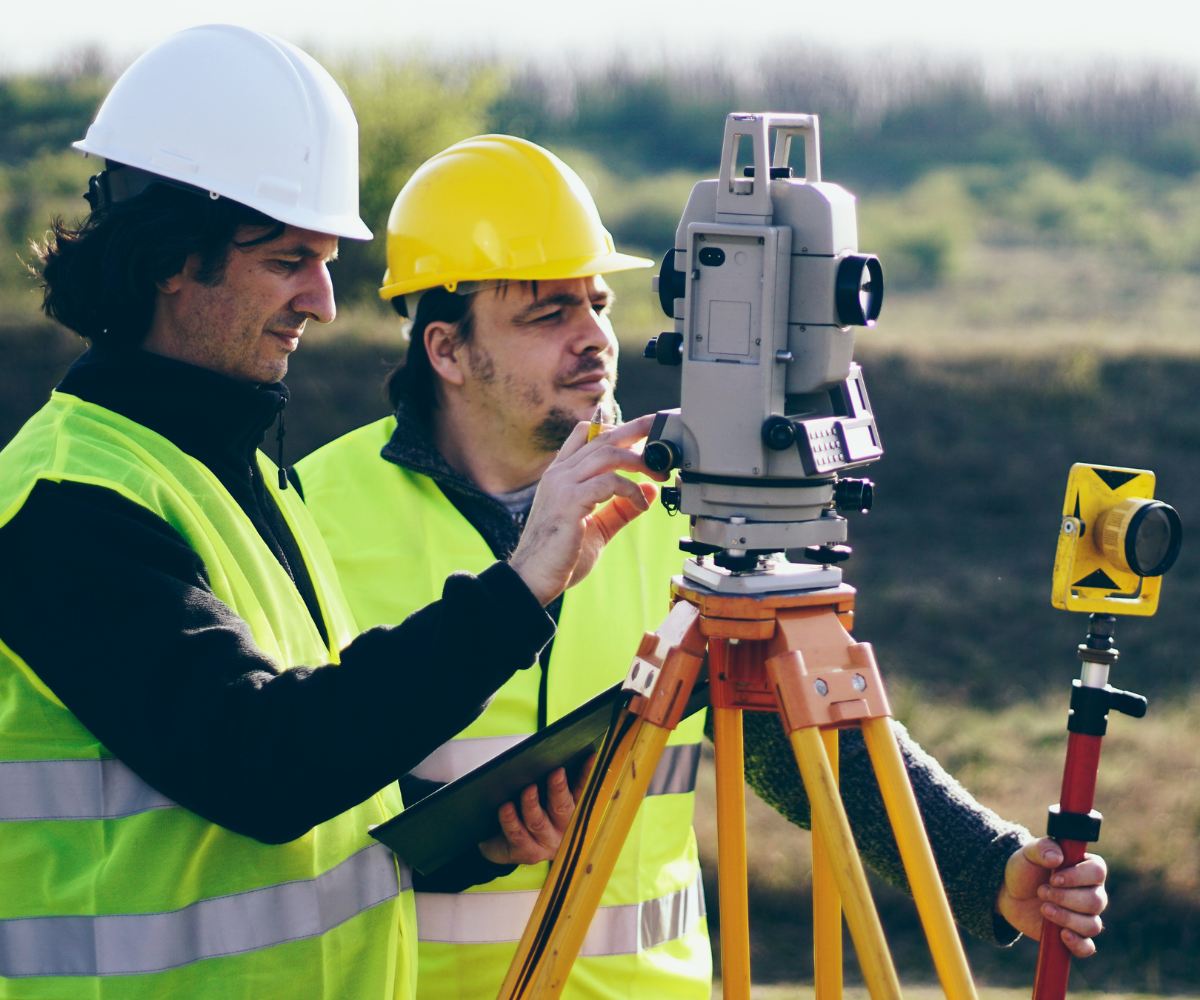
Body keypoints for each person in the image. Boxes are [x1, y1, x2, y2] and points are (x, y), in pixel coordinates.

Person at [295, 135, 1108, 999]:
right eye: (547, 314)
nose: (594, 339)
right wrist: (462, 839)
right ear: (447, 351)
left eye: (597, 304)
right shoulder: (315, 513)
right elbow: (283, 785)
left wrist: (986, 866)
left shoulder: (680, 502)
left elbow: (790, 741)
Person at [0, 29, 658, 1000]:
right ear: (169, 262)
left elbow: (310, 794)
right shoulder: (66, 506)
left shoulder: (241, 481)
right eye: (286, 260)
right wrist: (520, 590)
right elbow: (260, 766)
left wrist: (458, 835)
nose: (323, 300)